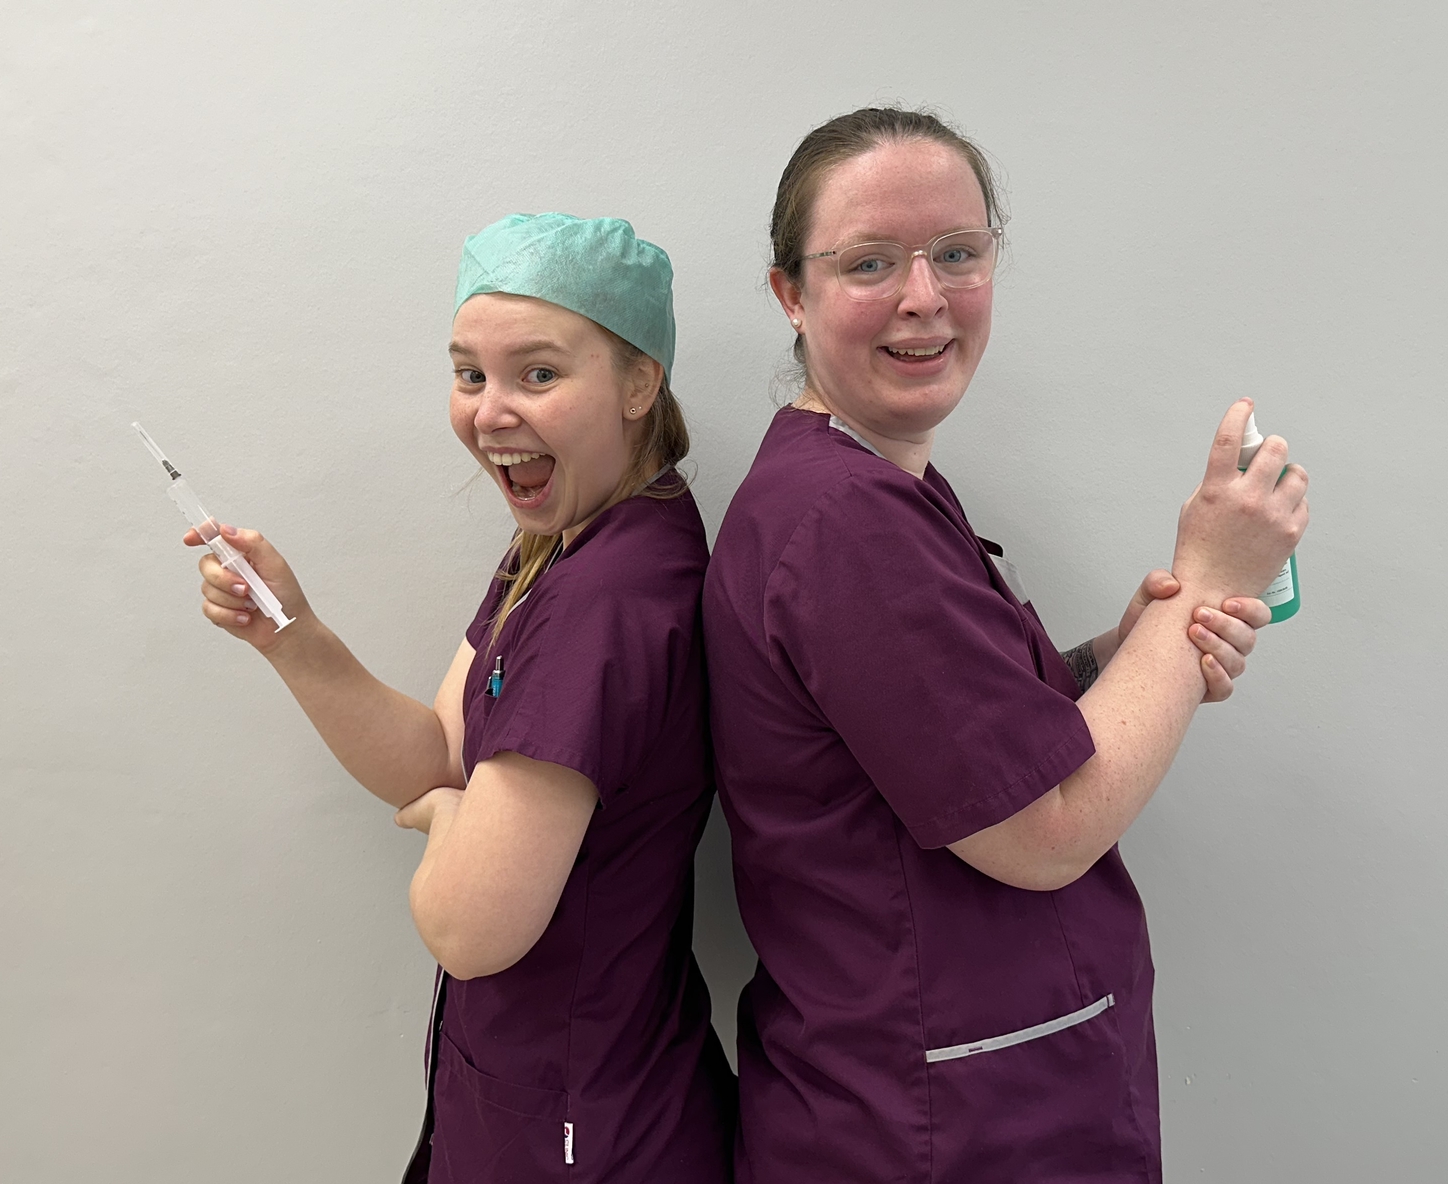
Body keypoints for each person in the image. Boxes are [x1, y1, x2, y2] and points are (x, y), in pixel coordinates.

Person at [703, 108, 1308, 1182]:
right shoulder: (842, 522)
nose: (924, 296)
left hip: (971, 1089)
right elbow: (1045, 828)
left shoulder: (879, 486)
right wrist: (1211, 578)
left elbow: (950, 735)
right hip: (937, 1121)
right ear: (790, 293)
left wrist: (1124, 657)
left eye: (957, 253)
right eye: (869, 262)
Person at [187, 213, 735, 1183]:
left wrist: (449, 817)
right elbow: (439, 749)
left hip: (584, 1126)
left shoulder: (608, 600)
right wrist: (292, 634)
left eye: (537, 373)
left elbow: (470, 927)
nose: (489, 412)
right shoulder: (562, 540)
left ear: (639, 383)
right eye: (470, 374)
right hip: (551, 1090)